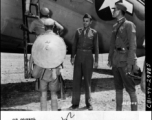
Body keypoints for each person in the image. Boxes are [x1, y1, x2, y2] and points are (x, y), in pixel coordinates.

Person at [108, 2, 138, 111]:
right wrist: (110, 58)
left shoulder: (129, 25)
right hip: (116, 61)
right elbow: (112, 44)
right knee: (118, 88)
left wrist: (130, 63)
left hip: (125, 61)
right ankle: (118, 112)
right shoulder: (115, 26)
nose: (113, 11)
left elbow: (133, 46)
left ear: (120, 11)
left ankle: (134, 113)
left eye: (114, 9)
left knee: (131, 89)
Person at [29, 18, 64, 111]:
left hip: (42, 71)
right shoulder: (58, 39)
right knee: (53, 94)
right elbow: (61, 55)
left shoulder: (39, 38)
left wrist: (30, 68)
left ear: (44, 27)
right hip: (54, 71)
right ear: (53, 27)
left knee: (43, 93)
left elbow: (33, 55)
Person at [70, 13, 99, 110]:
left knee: (87, 81)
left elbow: (96, 48)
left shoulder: (94, 33)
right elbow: (74, 45)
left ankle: (88, 103)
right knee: (76, 80)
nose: (85, 23)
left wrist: (96, 61)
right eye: (84, 21)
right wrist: (72, 57)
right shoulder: (78, 31)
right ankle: (75, 103)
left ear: (91, 22)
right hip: (78, 56)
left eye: (87, 21)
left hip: (88, 57)